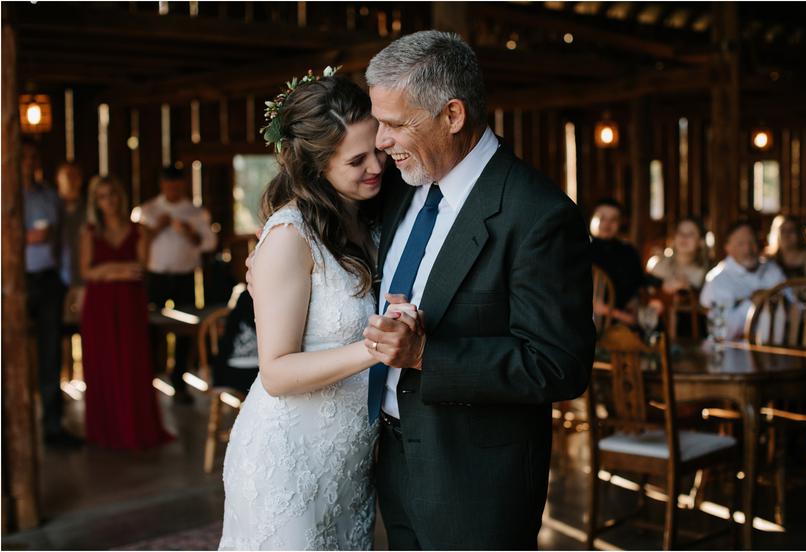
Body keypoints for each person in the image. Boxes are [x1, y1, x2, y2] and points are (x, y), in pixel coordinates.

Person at [360, 31, 594, 549]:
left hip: (476, 485)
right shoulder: (401, 187)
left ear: (453, 115)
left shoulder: (537, 214)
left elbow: (560, 364)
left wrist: (427, 355)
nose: (380, 141)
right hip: (393, 463)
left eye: (395, 124)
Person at [220, 75, 395, 550]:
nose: (377, 165)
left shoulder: (374, 215)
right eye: (357, 160)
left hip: (348, 462)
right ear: (317, 167)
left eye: (377, 149)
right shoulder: (289, 237)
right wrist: (373, 350)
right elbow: (275, 372)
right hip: (288, 460)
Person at [79, 176, 172, 450]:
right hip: (99, 307)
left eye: (113, 194)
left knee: (133, 362)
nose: (109, 201)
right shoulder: (89, 233)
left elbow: (139, 269)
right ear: (95, 202)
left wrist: (105, 271)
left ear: (121, 197)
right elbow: (86, 272)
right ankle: (105, 430)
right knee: (103, 364)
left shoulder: (139, 230)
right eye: (102, 196)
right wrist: (117, 270)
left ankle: (136, 428)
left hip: (130, 303)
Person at [138, 166, 217, 404]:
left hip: (184, 277)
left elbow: (209, 244)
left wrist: (190, 234)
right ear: (162, 185)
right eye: (169, 185)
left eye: (177, 186)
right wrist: (157, 228)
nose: (173, 189)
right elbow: (138, 243)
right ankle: (148, 381)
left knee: (185, 329)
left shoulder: (195, 212)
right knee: (151, 329)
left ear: (183, 185)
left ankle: (178, 379)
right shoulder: (148, 210)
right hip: (156, 277)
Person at [22, 140, 81, 447]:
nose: (29, 162)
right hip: (13, 285)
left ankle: (53, 428)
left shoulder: (49, 198)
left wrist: (68, 281)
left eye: (33, 156)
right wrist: (21, 238)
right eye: (23, 156)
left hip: (47, 282)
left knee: (50, 353)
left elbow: (63, 245)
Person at [700, 219, 786, 341]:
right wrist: (753, 303)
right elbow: (722, 333)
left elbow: (795, 310)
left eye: (752, 242)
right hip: (734, 353)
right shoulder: (717, 280)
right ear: (728, 248)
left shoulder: (772, 270)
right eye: (740, 244)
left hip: (778, 349)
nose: (748, 249)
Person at [589, 198, 646, 327]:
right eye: (602, 218)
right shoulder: (580, 251)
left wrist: (613, 313)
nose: (607, 224)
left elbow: (635, 292)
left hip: (620, 323)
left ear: (620, 223)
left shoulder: (628, 253)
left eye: (613, 219)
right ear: (592, 219)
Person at [56, 161, 87, 323]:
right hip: (56, 278)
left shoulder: (89, 210)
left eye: (75, 176)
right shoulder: (52, 208)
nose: (71, 180)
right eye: (67, 176)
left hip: (84, 278)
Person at [649, 217, 710, 293]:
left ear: (701, 241)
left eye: (690, 234)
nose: (684, 237)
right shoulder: (660, 266)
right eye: (680, 232)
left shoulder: (707, 274)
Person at [766, 214, 806, 280]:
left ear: (800, 234)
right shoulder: (770, 259)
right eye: (783, 230)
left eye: (791, 230)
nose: (786, 235)